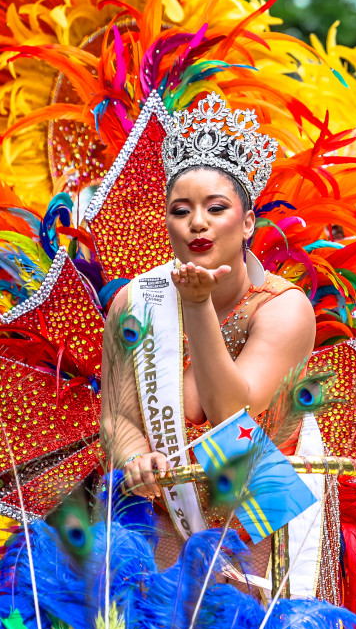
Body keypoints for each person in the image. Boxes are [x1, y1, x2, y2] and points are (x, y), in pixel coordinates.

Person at [99, 91, 317, 574]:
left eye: (215, 208)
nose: (197, 223)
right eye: (180, 210)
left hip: (256, 535)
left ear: (247, 224)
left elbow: (230, 411)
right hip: (158, 529)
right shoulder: (135, 304)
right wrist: (136, 457)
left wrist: (196, 307)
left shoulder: (285, 310)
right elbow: (116, 416)